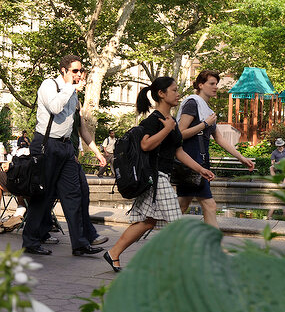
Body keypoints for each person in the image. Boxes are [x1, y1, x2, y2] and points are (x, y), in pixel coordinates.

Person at [103, 77, 215, 272]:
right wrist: (167, 129)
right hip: (155, 178)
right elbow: (145, 144)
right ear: (162, 94)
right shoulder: (154, 120)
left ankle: (113, 253)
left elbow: (177, 151)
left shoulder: (171, 121)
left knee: (147, 222)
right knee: (176, 223)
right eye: (174, 90)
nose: (178, 93)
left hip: (161, 177)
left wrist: (200, 169)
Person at [21, 55, 107, 257]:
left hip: (66, 147)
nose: (78, 74)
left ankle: (79, 243)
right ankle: (31, 241)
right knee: (43, 195)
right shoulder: (49, 85)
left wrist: (94, 151)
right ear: (63, 70)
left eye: (80, 71)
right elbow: (55, 107)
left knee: (74, 194)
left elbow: (78, 126)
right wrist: (71, 88)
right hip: (46, 145)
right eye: (74, 71)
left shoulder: (74, 94)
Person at [176, 70, 255, 224]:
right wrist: (204, 124)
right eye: (212, 84)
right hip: (191, 163)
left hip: (201, 162)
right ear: (200, 85)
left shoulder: (208, 110)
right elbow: (180, 134)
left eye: (216, 84)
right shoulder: (192, 103)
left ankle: (168, 241)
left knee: (184, 205)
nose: (215, 87)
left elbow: (219, 138)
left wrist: (242, 158)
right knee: (208, 205)